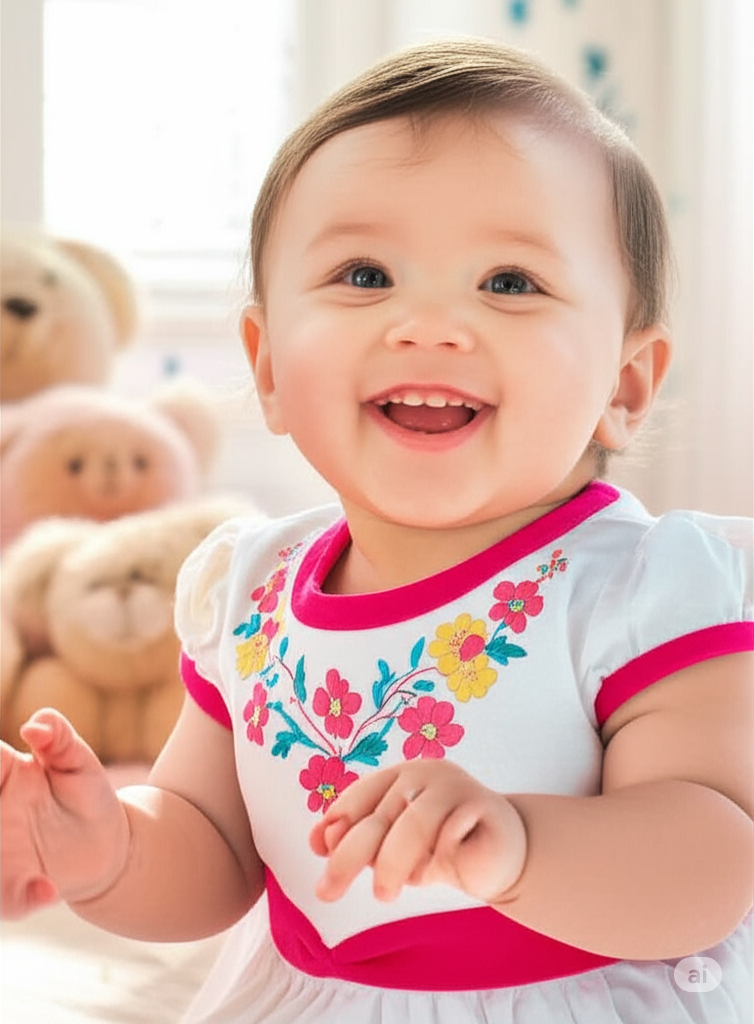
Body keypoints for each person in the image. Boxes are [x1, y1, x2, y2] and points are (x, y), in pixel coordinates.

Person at [1, 38, 752, 1024]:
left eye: (509, 282)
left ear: (622, 385)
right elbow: (212, 850)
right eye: (364, 274)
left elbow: (709, 858)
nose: (430, 323)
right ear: (267, 367)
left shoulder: (640, 588)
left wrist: (521, 845)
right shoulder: (251, 588)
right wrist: (108, 848)